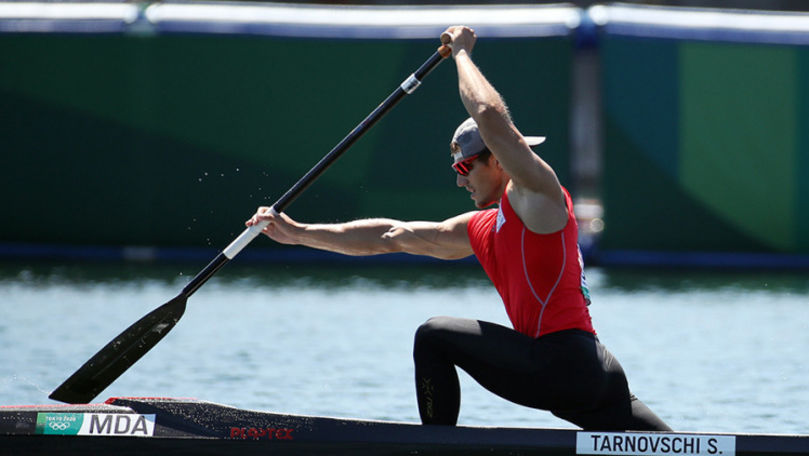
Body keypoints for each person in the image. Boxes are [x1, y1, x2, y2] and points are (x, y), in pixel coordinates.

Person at [247, 25, 670, 431]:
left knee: (434, 336)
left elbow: (488, 114)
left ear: (499, 160)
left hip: (564, 363)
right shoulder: (482, 227)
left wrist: (462, 53)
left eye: (466, 166)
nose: (459, 179)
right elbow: (388, 236)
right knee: (686, 450)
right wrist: (298, 232)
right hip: (592, 373)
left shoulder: (538, 196)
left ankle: (434, 446)